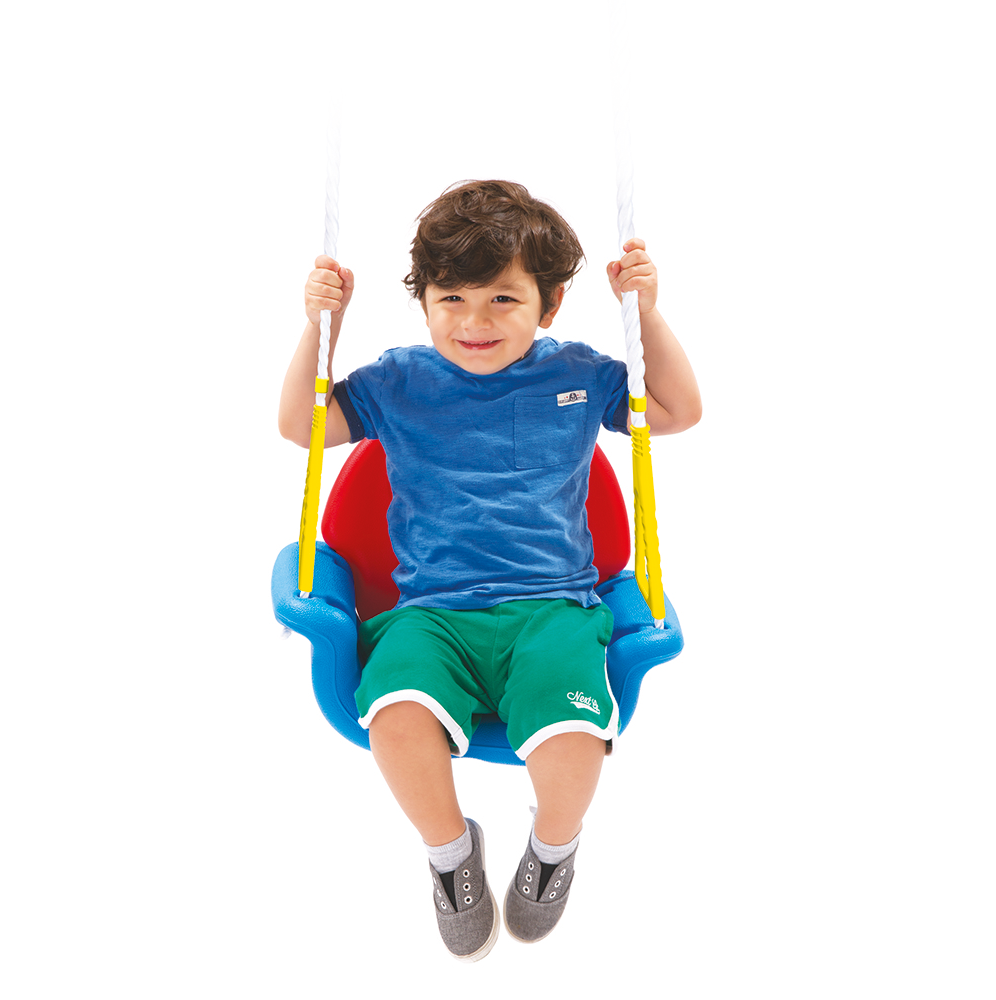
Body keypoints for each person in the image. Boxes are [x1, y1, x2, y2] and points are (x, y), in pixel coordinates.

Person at [279, 180, 701, 961]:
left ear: (551, 304)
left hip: (555, 611)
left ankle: (553, 848)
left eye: (504, 299)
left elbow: (677, 411)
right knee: (396, 717)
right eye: (452, 298)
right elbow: (303, 428)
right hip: (430, 616)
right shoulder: (399, 381)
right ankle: (450, 856)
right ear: (424, 302)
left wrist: (644, 313)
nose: (475, 322)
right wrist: (319, 329)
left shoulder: (577, 376)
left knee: (574, 738)